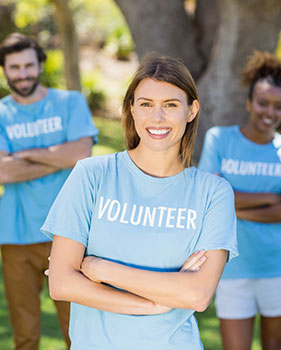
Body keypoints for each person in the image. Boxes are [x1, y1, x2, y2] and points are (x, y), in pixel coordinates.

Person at [41, 52, 238, 350]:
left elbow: (197, 295)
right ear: (132, 109)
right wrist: (154, 304)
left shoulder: (214, 193)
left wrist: (100, 269)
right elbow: (61, 283)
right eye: (146, 104)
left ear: (191, 110)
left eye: (170, 105)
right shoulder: (91, 175)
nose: (157, 118)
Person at [0, 33, 98, 350]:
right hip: (15, 236)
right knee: (25, 334)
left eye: (29, 65)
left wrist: (25, 154)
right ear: (4, 70)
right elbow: (3, 171)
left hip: (69, 233)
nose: (23, 74)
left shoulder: (70, 102)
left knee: (78, 331)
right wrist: (58, 158)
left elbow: (81, 155)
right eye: (14, 67)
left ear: (40, 64)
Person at [199, 51, 281, 350]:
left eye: (279, 107)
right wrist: (269, 197)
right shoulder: (219, 139)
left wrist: (233, 207)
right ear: (249, 103)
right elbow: (207, 197)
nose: (269, 112)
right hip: (231, 267)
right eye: (263, 103)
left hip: (278, 267)